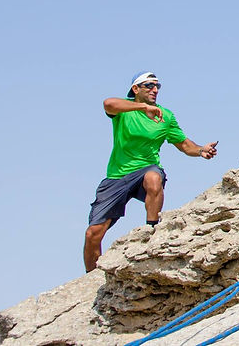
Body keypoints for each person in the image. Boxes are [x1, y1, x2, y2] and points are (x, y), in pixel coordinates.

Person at [84, 71, 218, 272]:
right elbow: (108, 104)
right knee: (92, 234)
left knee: (154, 177)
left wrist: (201, 150)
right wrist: (143, 106)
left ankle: (151, 230)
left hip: (146, 168)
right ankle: (90, 278)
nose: (155, 90)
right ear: (135, 89)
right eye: (149, 85)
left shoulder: (166, 116)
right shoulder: (126, 109)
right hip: (117, 176)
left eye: (157, 86)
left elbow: (184, 144)